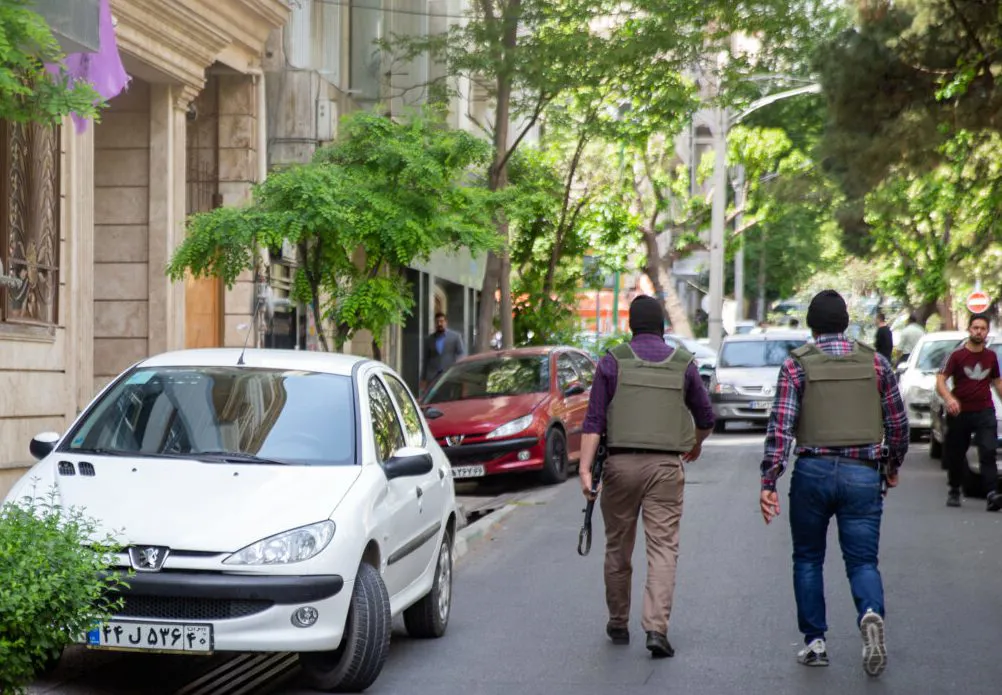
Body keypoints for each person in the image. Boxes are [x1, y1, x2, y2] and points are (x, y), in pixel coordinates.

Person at [759, 289, 908, 678]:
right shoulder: (876, 364)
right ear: (846, 323)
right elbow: (897, 423)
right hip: (863, 473)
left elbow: (781, 427)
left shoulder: (796, 366)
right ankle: (870, 613)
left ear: (811, 324)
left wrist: (769, 479)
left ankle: (815, 643)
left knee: (808, 558)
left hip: (813, 471)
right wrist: (892, 464)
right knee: (862, 560)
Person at [578, 295, 714, 659]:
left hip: (619, 466)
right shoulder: (683, 365)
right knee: (663, 548)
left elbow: (594, 421)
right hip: (666, 468)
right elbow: (705, 417)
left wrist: (584, 468)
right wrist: (695, 445)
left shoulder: (612, 361)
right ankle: (656, 628)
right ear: (663, 328)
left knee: (617, 545)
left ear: (631, 327)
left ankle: (618, 621)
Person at [935, 313, 1002, 510]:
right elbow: (940, 380)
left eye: (982, 328)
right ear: (969, 329)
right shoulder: (957, 355)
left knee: (988, 450)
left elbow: (997, 382)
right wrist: (949, 399)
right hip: (960, 412)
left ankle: (992, 493)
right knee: (956, 453)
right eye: (975, 328)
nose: (978, 332)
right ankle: (954, 489)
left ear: (987, 332)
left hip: (984, 411)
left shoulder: (991, 357)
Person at [421, 313, 466, 393]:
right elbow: (425, 359)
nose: (439, 324)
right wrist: (423, 379)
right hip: (432, 376)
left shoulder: (455, 337)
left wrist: (458, 370)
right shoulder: (429, 339)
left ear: (446, 322)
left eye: (441, 321)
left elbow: (461, 354)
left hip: (448, 374)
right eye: (437, 322)